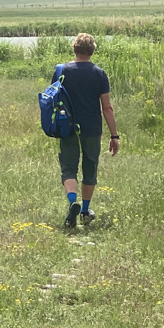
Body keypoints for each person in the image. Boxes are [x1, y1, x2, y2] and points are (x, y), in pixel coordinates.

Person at [52, 33, 119, 228]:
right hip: (91, 128)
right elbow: (107, 107)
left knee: (68, 168)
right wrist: (114, 135)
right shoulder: (99, 73)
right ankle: (84, 211)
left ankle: (73, 202)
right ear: (92, 50)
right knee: (90, 167)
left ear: (75, 49)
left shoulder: (61, 71)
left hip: (67, 127)